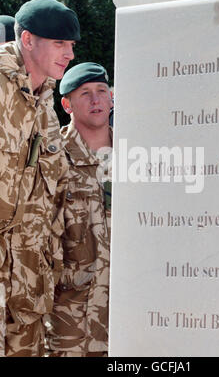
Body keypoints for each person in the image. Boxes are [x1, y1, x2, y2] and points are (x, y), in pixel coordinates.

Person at [0, 0, 80, 357]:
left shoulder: (45, 98)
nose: (69, 54)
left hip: (27, 279)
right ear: (28, 40)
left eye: (72, 46)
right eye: (60, 43)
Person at [45, 62, 112, 357]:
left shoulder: (139, 153)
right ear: (66, 104)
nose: (96, 100)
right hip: (69, 318)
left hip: (127, 311)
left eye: (102, 91)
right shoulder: (50, 158)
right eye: (85, 93)